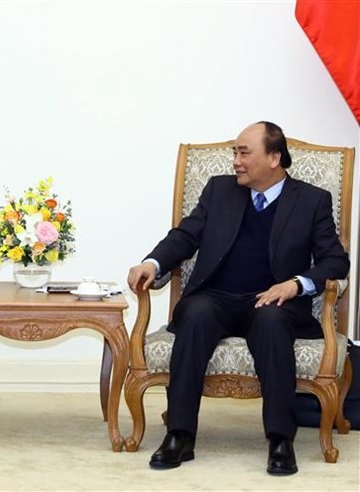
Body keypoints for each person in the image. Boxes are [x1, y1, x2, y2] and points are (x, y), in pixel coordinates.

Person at [127, 121, 349, 476]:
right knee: (196, 315)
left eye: (244, 152)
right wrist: (152, 263)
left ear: (274, 157)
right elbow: (185, 236)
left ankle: (280, 440)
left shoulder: (311, 200)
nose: (235, 161)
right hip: (217, 297)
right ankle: (180, 435)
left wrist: (296, 284)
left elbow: (336, 261)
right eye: (235, 152)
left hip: (272, 301)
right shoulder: (219, 190)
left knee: (272, 321)